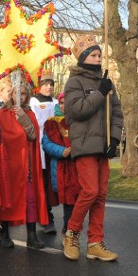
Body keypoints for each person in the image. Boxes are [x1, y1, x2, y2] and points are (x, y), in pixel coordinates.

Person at [62, 35, 123, 262]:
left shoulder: (107, 82)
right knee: (90, 192)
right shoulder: (74, 83)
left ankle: (95, 242)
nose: (99, 59)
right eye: (94, 55)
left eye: (100, 55)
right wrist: (99, 93)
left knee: (101, 195)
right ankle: (71, 234)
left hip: (103, 146)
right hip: (85, 145)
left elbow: (117, 113)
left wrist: (114, 141)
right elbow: (77, 111)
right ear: (84, 57)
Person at [0, 75, 48, 250]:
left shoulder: (29, 112)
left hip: (26, 165)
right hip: (8, 165)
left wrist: (22, 117)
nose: (20, 97)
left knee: (29, 199)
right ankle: (4, 233)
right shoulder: (2, 113)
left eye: (23, 94)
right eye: (17, 94)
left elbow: (32, 135)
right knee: (7, 199)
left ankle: (31, 235)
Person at [42, 92, 80, 234]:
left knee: (72, 199)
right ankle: (48, 221)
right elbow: (46, 144)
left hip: (75, 166)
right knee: (58, 195)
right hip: (58, 166)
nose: (64, 105)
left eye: (67, 102)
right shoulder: (51, 122)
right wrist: (61, 151)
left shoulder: (78, 120)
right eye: (62, 102)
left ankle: (68, 229)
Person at [30, 69, 59, 234]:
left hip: (54, 147)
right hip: (39, 148)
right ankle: (45, 217)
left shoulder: (56, 102)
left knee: (51, 184)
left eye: (51, 84)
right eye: (45, 84)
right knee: (41, 184)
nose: (49, 87)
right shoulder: (34, 102)